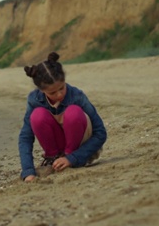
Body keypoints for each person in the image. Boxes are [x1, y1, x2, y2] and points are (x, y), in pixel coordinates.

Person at [18, 52, 107, 182]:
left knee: (73, 113)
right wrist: (28, 171)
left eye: (62, 88)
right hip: (57, 148)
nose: (59, 94)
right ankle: (53, 159)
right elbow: (25, 137)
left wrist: (72, 158)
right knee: (37, 115)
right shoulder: (34, 100)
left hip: (80, 150)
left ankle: (69, 158)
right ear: (41, 90)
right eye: (52, 92)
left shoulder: (77, 96)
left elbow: (100, 133)